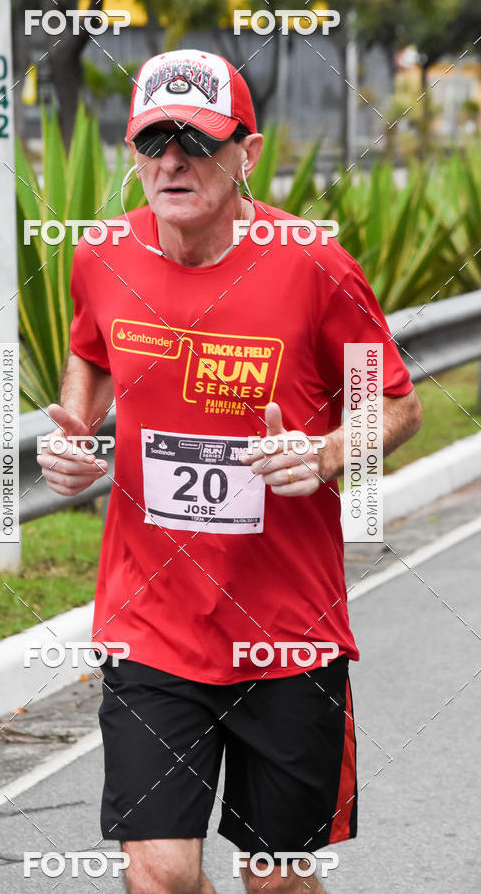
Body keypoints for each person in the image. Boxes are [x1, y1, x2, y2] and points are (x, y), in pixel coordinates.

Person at [37, 49, 422, 894]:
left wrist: (323, 453)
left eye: (195, 141)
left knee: (276, 879)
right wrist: (80, 433)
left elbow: (396, 404)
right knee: (162, 874)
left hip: (287, 632)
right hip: (153, 623)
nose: (171, 162)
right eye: (152, 141)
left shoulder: (314, 265)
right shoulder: (102, 254)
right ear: (132, 152)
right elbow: (90, 353)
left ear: (246, 152)